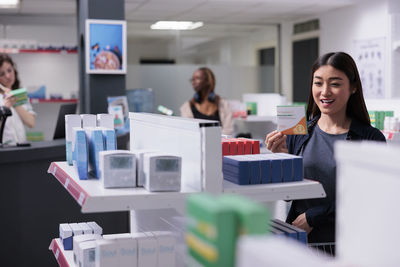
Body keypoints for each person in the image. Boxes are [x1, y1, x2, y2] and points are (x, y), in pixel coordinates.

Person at [265, 52, 385, 250]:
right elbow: (291, 193)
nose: (325, 91)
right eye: (318, 83)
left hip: (348, 244)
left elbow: (369, 198)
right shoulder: (300, 133)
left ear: (353, 87)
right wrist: (281, 161)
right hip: (302, 242)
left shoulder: (370, 138)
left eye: (335, 84)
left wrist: (315, 217)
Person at [180, 67, 233, 135]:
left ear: (208, 81)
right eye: (192, 79)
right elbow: (188, 133)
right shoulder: (187, 107)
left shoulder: (223, 104)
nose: (193, 82)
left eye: (197, 78)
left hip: (219, 144)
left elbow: (228, 130)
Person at [0, 54, 35, 144]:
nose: (8, 76)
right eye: (2, 74)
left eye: (9, 70)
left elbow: (31, 123)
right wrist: (5, 108)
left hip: (21, 147)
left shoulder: (20, 94)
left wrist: (15, 102)